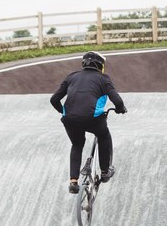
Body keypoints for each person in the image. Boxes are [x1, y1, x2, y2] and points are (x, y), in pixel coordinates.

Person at [50, 51, 127, 194]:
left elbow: (54, 99)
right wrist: (120, 109)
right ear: (101, 66)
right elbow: (117, 101)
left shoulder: (72, 77)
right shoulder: (103, 79)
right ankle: (105, 171)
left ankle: (73, 182)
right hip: (92, 119)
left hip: (70, 120)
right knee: (104, 135)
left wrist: (64, 112)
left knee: (77, 144)